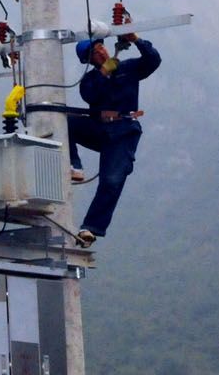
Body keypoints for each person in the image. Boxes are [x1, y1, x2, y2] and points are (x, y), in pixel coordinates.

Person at [65, 27, 160, 247]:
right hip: (101, 129)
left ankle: (91, 227)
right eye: (94, 52)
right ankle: (75, 165)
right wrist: (104, 72)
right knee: (67, 122)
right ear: (88, 60)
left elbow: (153, 60)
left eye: (101, 48)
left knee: (111, 181)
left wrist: (136, 39)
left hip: (123, 131)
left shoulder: (129, 68)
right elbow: (91, 95)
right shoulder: (89, 80)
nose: (101, 53)